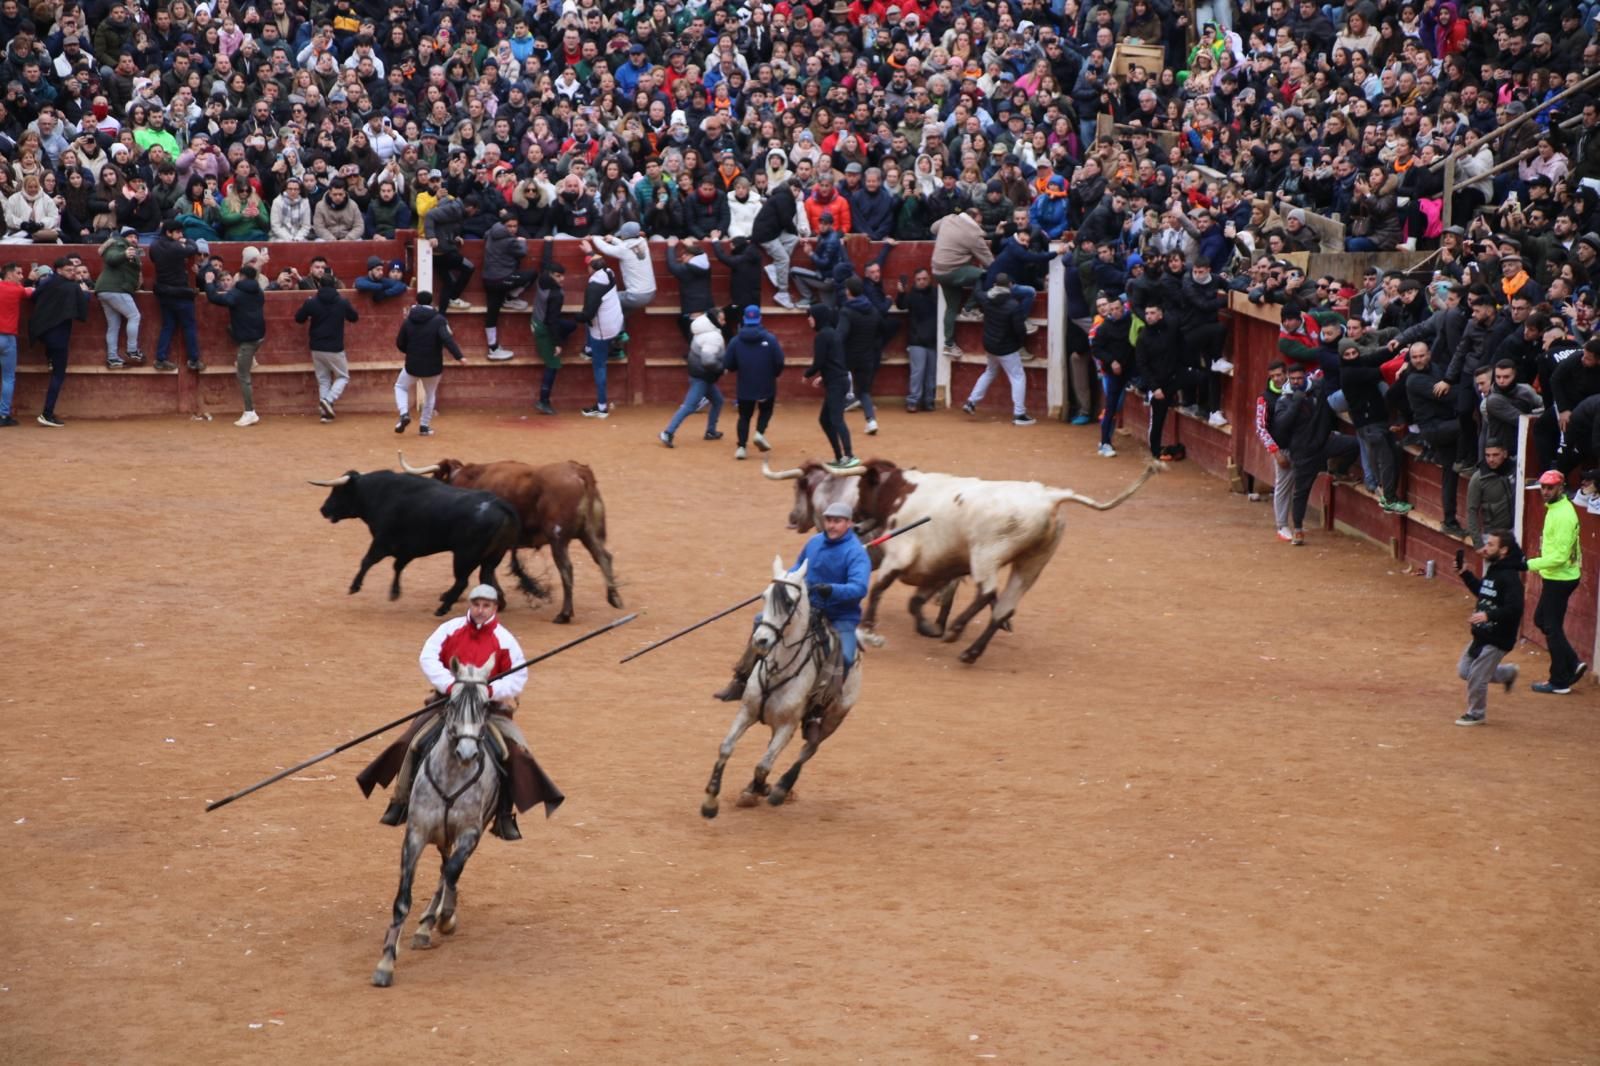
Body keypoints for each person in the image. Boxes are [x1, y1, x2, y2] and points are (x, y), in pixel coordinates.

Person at [362, 585, 548, 841]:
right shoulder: (450, 629)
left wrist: (488, 690)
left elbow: (517, 678)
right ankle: (400, 801)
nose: (480, 611)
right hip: (447, 702)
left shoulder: (506, 640)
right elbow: (428, 657)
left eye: (486, 606)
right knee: (411, 742)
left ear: (495, 608)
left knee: (514, 753)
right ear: (470, 605)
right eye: (477, 605)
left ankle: (504, 815)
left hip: (488, 710)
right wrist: (451, 686)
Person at [711, 501, 871, 705]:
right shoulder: (814, 542)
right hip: (808, 606)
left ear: (848, 523)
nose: (831, 525)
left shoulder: (856, 553)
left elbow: (859, 588)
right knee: (761, 621)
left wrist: (831, 589)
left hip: (840, 616)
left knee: (847, 657)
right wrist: (785, 583)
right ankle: (741, 680)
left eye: (837, 521)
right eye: (829, 520)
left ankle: (818, 707)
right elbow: (798, 567)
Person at [1273, 363, 1361, 546]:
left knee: (1355, 444)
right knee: (1301, 492)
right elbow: (1282, 425)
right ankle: (1297, 529)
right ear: (1289, 379)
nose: (1297, 382)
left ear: (1305, 377)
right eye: (1293, 379)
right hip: (1303, 452)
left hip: (1324, 442)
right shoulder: (1284, 401)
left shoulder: (1317, 390)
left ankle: (1338, 469)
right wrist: (1296, 403)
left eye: (1300, 378)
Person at [1450, 529, 1526, 726]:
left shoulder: (1510, 577)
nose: (1485, 548)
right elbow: (1484, 592)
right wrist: (1465, 574)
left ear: (1503, 550)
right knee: (1464, 670)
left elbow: (1515, 608)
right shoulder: (1495, 569)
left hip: (1497, 638)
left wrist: (1488, 615)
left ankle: (1476, 713)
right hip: (1481, 633)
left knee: (1477, 676)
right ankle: (1507, 673)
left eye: (1491, 545)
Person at [1526, 470, 1587, 695]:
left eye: (1549, 488)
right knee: (1543, 620)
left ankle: (1560, 679)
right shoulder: (1558, 509)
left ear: (1560, 488)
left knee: (1550, 625)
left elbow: (1559, 557)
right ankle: (1571, 662)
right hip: (1559, 576)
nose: (1545, 491)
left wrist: (1528, 564)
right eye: (1543, 487)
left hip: (1560, 577)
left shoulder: (1562, 515)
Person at [960, 272, 1036, 426]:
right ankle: (1019, 414)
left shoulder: (986, 298)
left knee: (990, 371)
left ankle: (971, 402)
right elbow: (1020, 330)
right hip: (1007, 348)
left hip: (990, 345)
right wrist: (1018, 343)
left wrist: (980, 278)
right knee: (1017, 377)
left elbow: (977, 292)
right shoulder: (1013, 305)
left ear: (995, 285)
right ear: (1010, 286)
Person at [394, 290, 465, 437]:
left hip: (413, 365)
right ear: (431, 302)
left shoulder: (409, 320)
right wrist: (459, 357)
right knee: (430, 394)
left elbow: (400, 343)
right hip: (433, 366)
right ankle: (424, 427)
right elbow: (447, 339)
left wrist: (411, 352)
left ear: (417, 302)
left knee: (400, 386)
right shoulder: (439, 320)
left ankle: (404, 413)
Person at [29, 259, 89, 428]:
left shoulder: (48, 282)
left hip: (42, 331)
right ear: (59, 270)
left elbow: (34, 297)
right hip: (58, 335)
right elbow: (82, 306)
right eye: (69, 270)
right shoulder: (72, 287)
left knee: (53, 354)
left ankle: (49, 358)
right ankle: (47, 413)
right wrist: (85, 293)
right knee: (59, 374)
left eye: (73, 269)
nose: (72, 272)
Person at [723, 305, 785, 459]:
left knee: (744, 416)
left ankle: (741, 447)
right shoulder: (770, 339)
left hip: (745, 385)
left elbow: (728, 364)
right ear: (760, 319)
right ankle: (759, 432)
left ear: (744, 319)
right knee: (766, 410)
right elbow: (779, 361)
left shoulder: (736, 341)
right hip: (766, 384)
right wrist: (774, 375)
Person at [930, 206, 994, 356]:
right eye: (979, 221)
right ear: (973, 219)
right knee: (985, 275)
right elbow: (990, 263)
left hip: (938, 271)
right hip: (954, 270)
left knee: (951, 307)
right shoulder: (973, 234)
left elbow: (933, 229)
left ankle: (949, 344)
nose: (980, 224)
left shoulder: (948, 219)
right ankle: (969, 309)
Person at [294, 277, 360, 422]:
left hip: (316, 347)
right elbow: (354, 317)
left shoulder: (312, 302)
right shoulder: (342, 302)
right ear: (335, 285)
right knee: (343, 377)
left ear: (319, 285)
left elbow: (299, 318)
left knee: (323, 380)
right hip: (335, 347)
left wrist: (308, 307)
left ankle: (325, 413)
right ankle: (328, 401)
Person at [660, 311, 726, 447]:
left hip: (700, 375)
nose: (724, 322)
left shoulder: (701, 331)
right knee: (689, 406)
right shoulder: (713, 337)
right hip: (702, 377)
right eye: (721, 319)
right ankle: (668, 432)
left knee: (718, 401)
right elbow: (708, 361)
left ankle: (711, 431)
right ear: (714, 320)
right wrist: (721, 368)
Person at [803, 303, 856, 468]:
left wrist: (808, 374)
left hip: (836, 383)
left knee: (835, 419)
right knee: (826, 419)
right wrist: (823, 378)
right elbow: (833, 361)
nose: (809, 320)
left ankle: (849, 456)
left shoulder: (822, 336)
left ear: (817, 317)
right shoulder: (832, 334)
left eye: (811, 316)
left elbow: (819, 361)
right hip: (838, 380)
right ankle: (840, 457)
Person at [149, 219, 203, 373]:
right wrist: (188, 240)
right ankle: (193, 359)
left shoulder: (154, 246)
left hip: (163, 292)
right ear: (168, 233)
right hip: (180, 292)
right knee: (189, 326)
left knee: (168, 326)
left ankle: (160, 359)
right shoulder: (177, 247)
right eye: (178, 232)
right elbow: (194, 248)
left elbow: (153, 260)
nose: (181, 235)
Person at [575, 255, 625, 418]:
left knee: (600, 366)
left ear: (591, 269)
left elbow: (588, 314)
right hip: (616, 321)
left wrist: (574, 317)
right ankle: (601, 347)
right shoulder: (609, 272)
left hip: (602, 331)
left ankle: (602, 407)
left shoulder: (594, 286)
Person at [531, 240, 576, 416]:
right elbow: (552, 321)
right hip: (544, 328)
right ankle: (543, 400)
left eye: (562, 275)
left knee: (570, 324)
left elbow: (545, 262)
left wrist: (548, 243)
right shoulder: (556, 295)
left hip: (537, 321)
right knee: (553, 364)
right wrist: (557, 343)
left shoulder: (542, 279)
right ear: (552, 276)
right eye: (558, 276)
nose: (562, 279)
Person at [481, 211, 532, 361]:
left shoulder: (491, 231)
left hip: (488, 279)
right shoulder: (511, 240)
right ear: (503, 225)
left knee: (492, 313)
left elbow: (485, 235)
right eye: (509, 226)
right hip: (502, 280)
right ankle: (510, 298)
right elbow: (522, 252)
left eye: (514, 226)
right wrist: (522, 241)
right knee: (531, 275)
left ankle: (493, 348)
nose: (512, 229)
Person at [1255, 360, 1294, 539]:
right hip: (1283, 448)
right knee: (1283, 486)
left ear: (1286, 374)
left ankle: (1297, 524)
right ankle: (1282, 525)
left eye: (1279, 375)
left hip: (1302, 446)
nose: (1277, 379)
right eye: (1273, 376)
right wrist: (1276, 452)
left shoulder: (1297, 389)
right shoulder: (1264, 398)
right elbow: (1260, 427)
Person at [1093, 294, 1135, 459]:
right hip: (1113, 373)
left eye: (1118, 309)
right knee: (1112, 407)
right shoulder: (1104, 328)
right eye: (1112, 310)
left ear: (1123, 307)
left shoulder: (1130, 321)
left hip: (1131, 371)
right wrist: (1112, 362)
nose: (1115, 312)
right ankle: (1105, 441)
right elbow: (1096, 349)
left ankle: (1106, 440)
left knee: (1115, 407)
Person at [94, 226, 142, 369]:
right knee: (134, 316)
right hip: (116, 289)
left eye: (135, 237)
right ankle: (132, 350)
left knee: (113, 326)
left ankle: (113, 357)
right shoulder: (118, 244)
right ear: (124, 237)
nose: (133, 239)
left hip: (105, 289)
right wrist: (125, 254)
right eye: (130, 236)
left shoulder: (127, 248)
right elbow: (111, 258)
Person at [896, 268, 938, 413]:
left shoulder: (936, 294)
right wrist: (901, 293)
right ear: (915, 281)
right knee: (918, 372)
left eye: (924, 279)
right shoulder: (912, 296)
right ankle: (913, 401)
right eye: (919, 279)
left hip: (932, 340)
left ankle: (928, 401)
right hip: (917, 340)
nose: (922, 282)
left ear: (929, 279)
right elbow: (901, 304)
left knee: (930, 373)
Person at [1466, 444, 1516, 549]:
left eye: (1495, 455)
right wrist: (1478, 544)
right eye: (1487, 455)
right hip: (1492, 535)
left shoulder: (1516, 470)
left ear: (1505, 454)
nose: (1491, 459)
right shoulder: (1478, 479)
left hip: (1515, 531)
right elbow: (1471, 511)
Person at [0, 262, 29, 427]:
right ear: (9, 274)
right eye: (18, 273)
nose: (21, 276)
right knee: (8, 378)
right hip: (8, 338)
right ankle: (3, 415)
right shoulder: (18, 290)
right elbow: (32, 293)